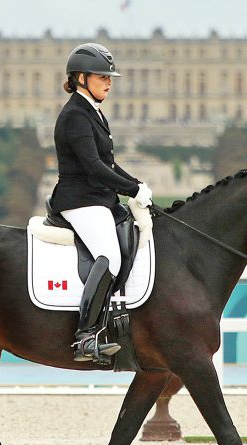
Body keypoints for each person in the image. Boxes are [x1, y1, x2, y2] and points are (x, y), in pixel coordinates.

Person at [51, 42, 153, 364]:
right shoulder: (75, 116)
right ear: (81, 78)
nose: (109, 82)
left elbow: (108, 163)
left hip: (99, 198)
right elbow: (94, 168)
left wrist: (135, 184)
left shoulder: (93, 112)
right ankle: (85, 336)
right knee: (108, 255)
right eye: (102, 76)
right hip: (80, 200)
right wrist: (130, 190)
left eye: (110, 77)